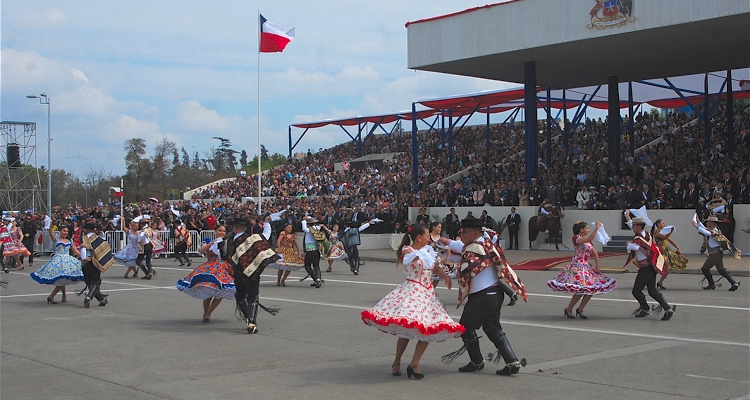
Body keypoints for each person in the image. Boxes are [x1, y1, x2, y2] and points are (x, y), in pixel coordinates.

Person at [360, 224, 464, 379]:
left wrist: (446, 276)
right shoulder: (408, 250)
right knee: (407, 328)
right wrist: (424, 253)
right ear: (419, 237)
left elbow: (435, 268)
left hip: (428, 295)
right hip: (412, 291)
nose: (429, 238)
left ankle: (414, 363)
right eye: (427, 235)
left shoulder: (428, 251)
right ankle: (397, 361)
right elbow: (409, 258)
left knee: (428, 329)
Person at [439, 219, 528, 376]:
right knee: (493, 328)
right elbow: (461, 247)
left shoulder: (475, 248)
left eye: (464, 232)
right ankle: (512, 362)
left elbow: (464, 264)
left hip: (483, 296)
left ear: (474, 232)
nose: (461, 235)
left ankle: (476, 361)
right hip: (495, 294)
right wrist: (446, 241)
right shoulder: (486, 243)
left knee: (465, 329)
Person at [547, 221, 616, 319]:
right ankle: (569, 308)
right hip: (577, 266)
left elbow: (595, 254)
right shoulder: (577, 238)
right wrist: (596, 228)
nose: (588, 230)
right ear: (581, 230)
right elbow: (590, 238)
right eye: (587, 228)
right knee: (580, 289)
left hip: (586, 266)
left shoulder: (588, 242)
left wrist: (598, 266)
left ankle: (580, 308)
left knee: (592, 289)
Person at [225, 217, 280, 334]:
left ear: (235, 228)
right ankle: (251, 322)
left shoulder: (229, 241)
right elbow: (263, 250)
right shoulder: (255, 238)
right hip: (253, 272)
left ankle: (248, 319)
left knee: (240, 296)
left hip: (239, 273)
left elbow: (227, 256)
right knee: (253, 295)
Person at [176, 225, 235, 322]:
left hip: (223, 268)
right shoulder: (208, 241)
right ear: (215, 231)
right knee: (208, 292)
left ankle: (209, 313)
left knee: (220, 292)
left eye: (223, 231)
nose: (222, 233)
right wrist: (211, 243)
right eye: (220, 230)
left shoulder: (227, 243)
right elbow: (202, 250)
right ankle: (206, 312)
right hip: (210, 267)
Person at [623, 211, 675, 320]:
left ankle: (645, 308)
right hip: (651, 267)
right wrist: (627, 215)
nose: (632, 227)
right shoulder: (646, 234)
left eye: (634, 225)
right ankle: (667, 309)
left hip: (646, 268)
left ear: (639, 226)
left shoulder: (639, 239)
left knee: (636, 291)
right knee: (652, 290)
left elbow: (639, 248)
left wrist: (630, 245)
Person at [30, 224, 84, 304]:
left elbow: (76, 251)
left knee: (63, 279)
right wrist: (50, 225)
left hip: (67, 260)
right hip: (58, 260)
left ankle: (64, 295)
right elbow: (50, 232)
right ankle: (51, 296)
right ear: (60, 231)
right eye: (64, 231)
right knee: (61, 279)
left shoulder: (69, 241)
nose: (65, 232)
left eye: (67, 231)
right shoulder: (57, 239)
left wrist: (84, 257)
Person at [691, 215, 741, 291]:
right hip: (717, 253)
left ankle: (711, 284)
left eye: (708, 221)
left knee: (705, 268)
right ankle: (733, 283)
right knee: (721, 270)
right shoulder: (714, 229)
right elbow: (705, 229)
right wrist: (698, 222)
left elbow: (706, 232)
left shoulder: (714, 231)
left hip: (715, 254)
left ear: (712, 223)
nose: (707, 223)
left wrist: (696, 226)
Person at [651, 219, 688, 289]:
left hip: (666, 250)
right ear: (658, 225)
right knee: (662, 266)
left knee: (667, 266)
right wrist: (671, 231)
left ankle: (660, 282)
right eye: (662, 223)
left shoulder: (663, 232)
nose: (664, 224)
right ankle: (652, 281)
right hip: (660, 251)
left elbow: (670, 240)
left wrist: (677, 248)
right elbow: (665, 237)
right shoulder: (656, 232)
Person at [79, 222, 108, 308]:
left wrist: (84, 258)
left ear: (86, 229)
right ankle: (91, 297)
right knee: (95, 281)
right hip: (96, 261)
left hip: (86, 261)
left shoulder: (84, 238)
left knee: (89, 281)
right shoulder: (99, 238)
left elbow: (83, 249)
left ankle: (99, 299)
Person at [301, 216, 324, 287]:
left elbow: (304, 228)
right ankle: (318, 279)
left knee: (307, 265)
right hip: (316, 250)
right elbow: (318, 227)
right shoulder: (317, 228)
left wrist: (304, 220)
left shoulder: (309, 230)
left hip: (310, 250)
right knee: (316, 266)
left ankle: (315, 279)